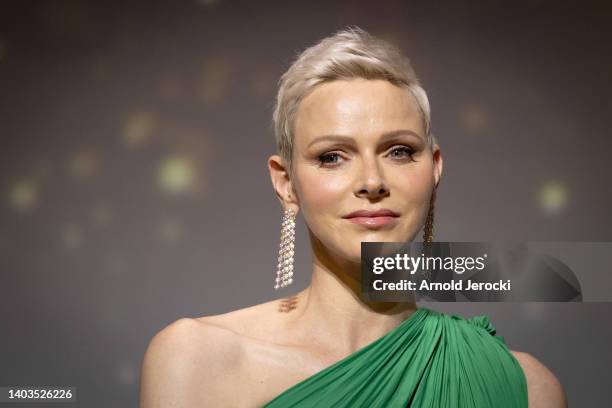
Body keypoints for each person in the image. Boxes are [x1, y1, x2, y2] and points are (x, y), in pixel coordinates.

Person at [139, 27, 567, 407]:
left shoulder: (527, 388)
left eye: (399, 151)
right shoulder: (197, 361)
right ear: (286, 183)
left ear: (434, 169)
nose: (372, 180)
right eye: (332, 157)